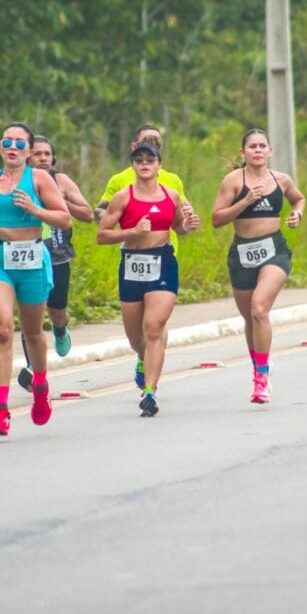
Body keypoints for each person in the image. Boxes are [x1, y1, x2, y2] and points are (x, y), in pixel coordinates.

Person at [0, 122, 70, 436]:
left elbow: (63, 217)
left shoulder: (38, 178)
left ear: (27, 151)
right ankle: (1, 411)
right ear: (0, 148)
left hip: (31, 258)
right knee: (2, 329)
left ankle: (40, 385)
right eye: (7, 142)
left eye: (19, 143)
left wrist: (35, 209)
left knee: (33, 333)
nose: (13, 147)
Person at [96, 140, 199, 417]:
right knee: (135, 337)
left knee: (154, 326)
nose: (144, 164)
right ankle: (143, 358)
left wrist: (188, 225)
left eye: (149, 160)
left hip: (163, 262)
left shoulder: (172, 195)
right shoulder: (123, 197)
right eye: (139, 159)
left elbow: (180, 227)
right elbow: (102, 235)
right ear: (133, 165)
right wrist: (130, 232)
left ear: (159, 165)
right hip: (131, 265)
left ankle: (150, 393)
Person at [211, 128, 306, 405]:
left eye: (262, 146)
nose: (257, 150)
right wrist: (245, 201)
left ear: (270, 151)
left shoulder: (281, 180)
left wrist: (296, 214)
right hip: (241, 254)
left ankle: (261, 379)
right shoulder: (232, 181)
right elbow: (216, 219)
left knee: (259, 309)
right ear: (244, 152)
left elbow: (298, 199)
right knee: (249, 319)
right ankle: (259, 364)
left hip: (274, 250)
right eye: (252, 146)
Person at [17, 135, 94, 391]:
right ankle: (33, 370)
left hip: (57, 256)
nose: (42, 159)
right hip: (26, 256)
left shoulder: (61, 181)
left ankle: (60, 330)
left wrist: (61, 201)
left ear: (53, 159)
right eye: (37, 154)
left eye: (46, 155)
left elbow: (88, 214)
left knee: (57, 311)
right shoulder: (16, 183)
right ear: (27, 156)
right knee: (30, 317)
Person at [95, 123, 187, 224]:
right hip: (133, 238)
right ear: (134, 146)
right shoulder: (119, 180)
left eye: (157, 143)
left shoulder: (173, 179)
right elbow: (99, 212)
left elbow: (184, 214)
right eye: (147, 142)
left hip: (167, 239)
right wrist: (122, 215)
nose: (152, 147)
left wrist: (187, 216)